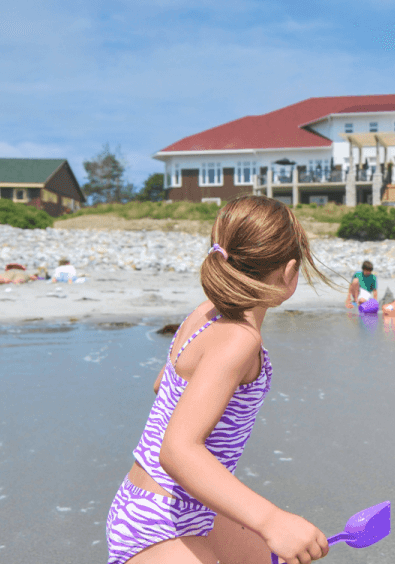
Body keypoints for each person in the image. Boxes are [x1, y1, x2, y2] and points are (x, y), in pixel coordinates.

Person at [106, 195, 332, 564]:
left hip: (166, 503)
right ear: (290, 273)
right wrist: (271, 519)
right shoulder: (240, 340)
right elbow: (177, 450)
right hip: (161, 522)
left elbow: (164, 384)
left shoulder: (205, 314)